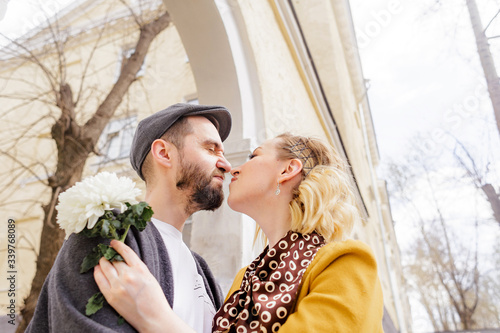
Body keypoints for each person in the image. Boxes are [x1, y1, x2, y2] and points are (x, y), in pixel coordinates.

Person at [94, 133, 385, 332]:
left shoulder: (346, 262)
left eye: (253, 155)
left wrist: (157, 319)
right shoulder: (244, 280)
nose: (233, 168)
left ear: (287, 170)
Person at [26, 103, 233, 332]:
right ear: (164, 153)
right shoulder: (109, 233)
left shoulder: (201, 271)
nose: (226, 164)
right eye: (211, 149)